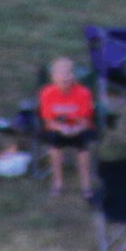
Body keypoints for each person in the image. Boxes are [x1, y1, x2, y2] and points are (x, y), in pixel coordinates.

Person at [36, 57, 96, 198]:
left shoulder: (83, 92)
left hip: (79, 127)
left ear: (73, 76)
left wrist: (76, 129)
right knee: (54, 143)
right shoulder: (47, 93)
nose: (65, 79)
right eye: (61, 75)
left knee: (83, 143)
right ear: (53, 77)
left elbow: (86, 118)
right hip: (56, 128)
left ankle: (86, 184)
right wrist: (61, 128)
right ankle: (57, 183)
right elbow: (48, 120)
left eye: (68, 74)